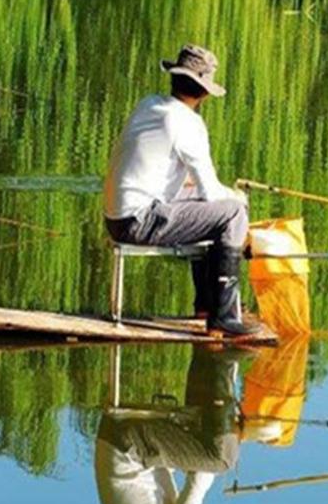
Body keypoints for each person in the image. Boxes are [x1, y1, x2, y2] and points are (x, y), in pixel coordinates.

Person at [103, 44, 255, 337]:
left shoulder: (149, 104)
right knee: (233, 213)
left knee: (211, 209)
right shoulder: (188, 123)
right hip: (138, 219)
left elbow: (171, 175)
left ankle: (206, 305)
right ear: (205, 91)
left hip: (116, 217)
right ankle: (223, 316)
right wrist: (238, 197)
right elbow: (211, 192)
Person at [95, 346, 246, 504]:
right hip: (114, 435)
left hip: (129, 445)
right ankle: (206, 350)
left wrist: (234, 435)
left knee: (220, 460)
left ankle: (224, 359)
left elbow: (198, 482)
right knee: (200, 431)